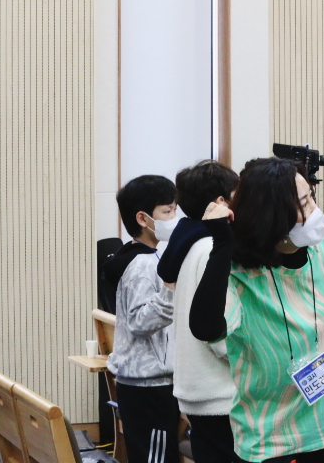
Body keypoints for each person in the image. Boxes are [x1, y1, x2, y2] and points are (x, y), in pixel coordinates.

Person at [189, 157, 324, 463]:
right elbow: (205, 328)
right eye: (303, 204)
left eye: (311, 197)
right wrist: (221, 245)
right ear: (271, 216)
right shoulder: (240, 275)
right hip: (273, 442)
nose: (315, 212)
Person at [157, 160, 240, 463]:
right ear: (221, 202)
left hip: (199, 388)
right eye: (238, 196)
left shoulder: (191, 243)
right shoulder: (212, 250)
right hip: (219, 392)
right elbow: (218, 333)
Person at [104, 175, 181, 463]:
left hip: (148, 384)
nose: (174, 218)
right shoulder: (141, 264)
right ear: (142, 218)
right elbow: (139, 322)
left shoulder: (146, 257)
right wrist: (172, 290)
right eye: (167, 211)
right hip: (148, 386)